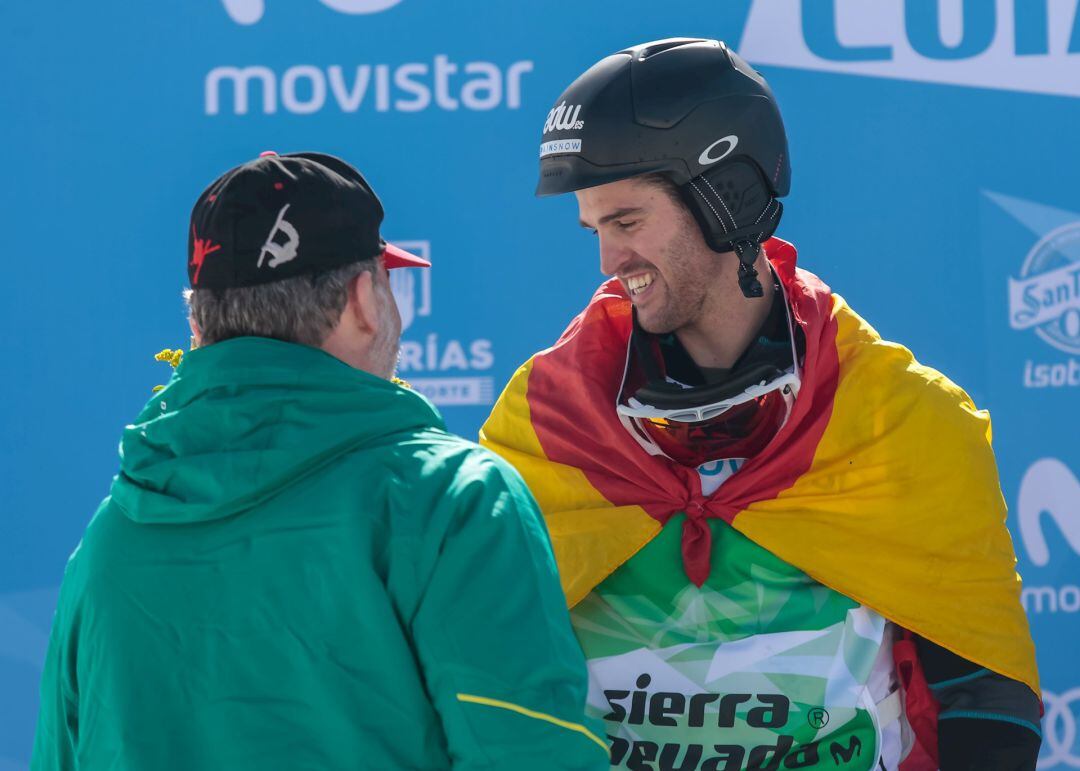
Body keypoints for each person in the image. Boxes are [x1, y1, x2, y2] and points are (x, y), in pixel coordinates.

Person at [482, 39, 1041, 770]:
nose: (608, 261)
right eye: (596, 230)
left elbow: (982, 700)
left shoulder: (897, 417)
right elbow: (485, 680)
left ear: (728, 197)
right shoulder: (550, 416)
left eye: (627, 222)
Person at [32, 151, 609, 771]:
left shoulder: (110, 538)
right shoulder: (452, 499)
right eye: (388, 280)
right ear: (364, 299)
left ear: (200, 325)